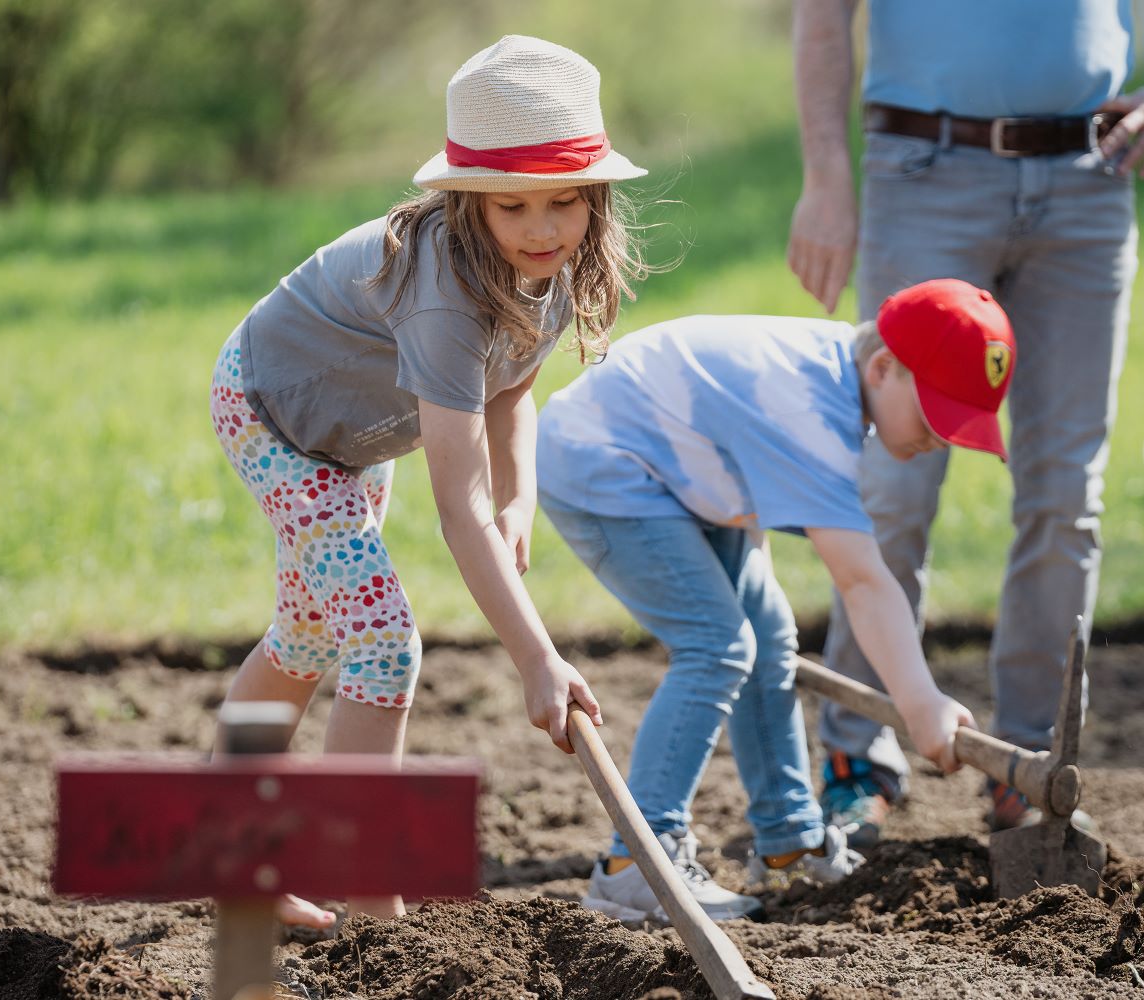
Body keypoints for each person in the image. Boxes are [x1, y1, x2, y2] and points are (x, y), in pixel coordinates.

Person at [787, 0, 1144, 845]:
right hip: (923, 169)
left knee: (1064, 492)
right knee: (893, 484)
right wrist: (827, 178)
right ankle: (856, 757)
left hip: (1088, 183)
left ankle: (1029, 767)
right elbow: (823, 14)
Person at [208, 35, 649, 928]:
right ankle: (373, 903)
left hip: (357, 438)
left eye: (565, 202)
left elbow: (513, 389)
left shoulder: (547, 270)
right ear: (465, 202)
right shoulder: (444, 291)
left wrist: (520, 495)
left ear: (595, 199)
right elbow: (459, 511)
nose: (542, 229)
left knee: (307, 634)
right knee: (380, 638)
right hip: (275, 414)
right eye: (513, 207)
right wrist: (537, 660)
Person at [535, 278, 1011, 923]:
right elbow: (863, 581)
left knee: (768, 637)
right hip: (606, 465)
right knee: (718, 644)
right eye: (937, 414)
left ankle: (788, 841)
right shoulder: (809, 410)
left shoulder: (838, 384)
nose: (944, 437)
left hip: (684, 472)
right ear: (884, 369)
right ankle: (636, 866)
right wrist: (921, 703)